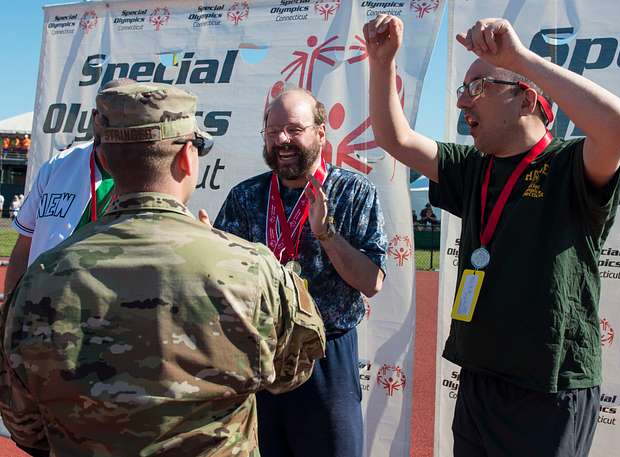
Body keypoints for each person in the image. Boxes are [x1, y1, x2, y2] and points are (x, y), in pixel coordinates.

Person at [0, 81, 326, 457]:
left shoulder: (40, 280)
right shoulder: (252, 270)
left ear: (105, 160)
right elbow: (292, 373)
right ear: (187, 157)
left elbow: (24, 423)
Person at [365, 15, 620, 457]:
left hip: (548, 387)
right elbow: (395, 138)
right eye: (460, 90)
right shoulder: (473, 166)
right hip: (479, 376)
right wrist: (382, 64)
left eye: (477, 89)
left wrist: (520, 59)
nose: (461, 105)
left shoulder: (570, 164)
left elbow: (618, 126)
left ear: (525, 99)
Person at [213, 87, 387, 457]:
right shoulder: (246, 197)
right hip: (260, 355)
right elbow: (222, 285)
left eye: (293, 129)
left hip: (326, 357)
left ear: (321, 133)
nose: (282, 140)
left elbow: (371, 282)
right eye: (273, 131)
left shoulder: (352, 192)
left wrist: (326, 234)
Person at [3, 79, 137, 295]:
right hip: (40, 307)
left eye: (127, 117)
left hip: (106, 314)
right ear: (95, 118)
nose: (116, 126)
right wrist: (9, 306)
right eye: (109, 116)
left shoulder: (150, 172)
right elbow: (24, 246)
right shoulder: (58, 165)